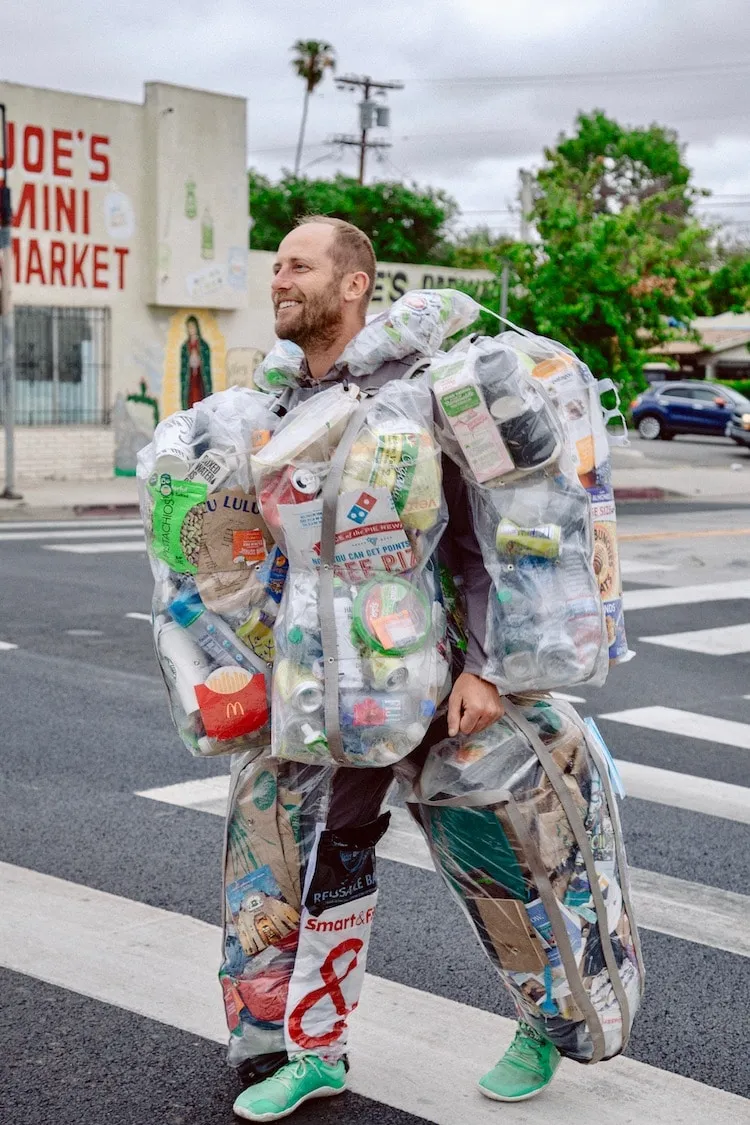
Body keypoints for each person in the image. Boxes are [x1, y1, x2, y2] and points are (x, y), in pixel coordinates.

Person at [229, 217, 562, 1121]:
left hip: (442, 673)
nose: (279, 277)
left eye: (299, 264)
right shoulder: (284, 398)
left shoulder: (421, 391)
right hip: (334, 687)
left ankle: (548, 1017)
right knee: (334, 849)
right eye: (277, 266)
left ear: (354, 285)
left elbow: (496, 532)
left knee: (489, 854)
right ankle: (317, 1048)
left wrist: (490, 667)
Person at [180, 314, 212, 409]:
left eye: (192, 327)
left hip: (200, 380)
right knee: (190, 402)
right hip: (190, 380)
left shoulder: (203, 345)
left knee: (200, 400)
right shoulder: (185, 347)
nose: (191, 330)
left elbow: (207, 367)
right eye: (189, 327)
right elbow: (183, 369)